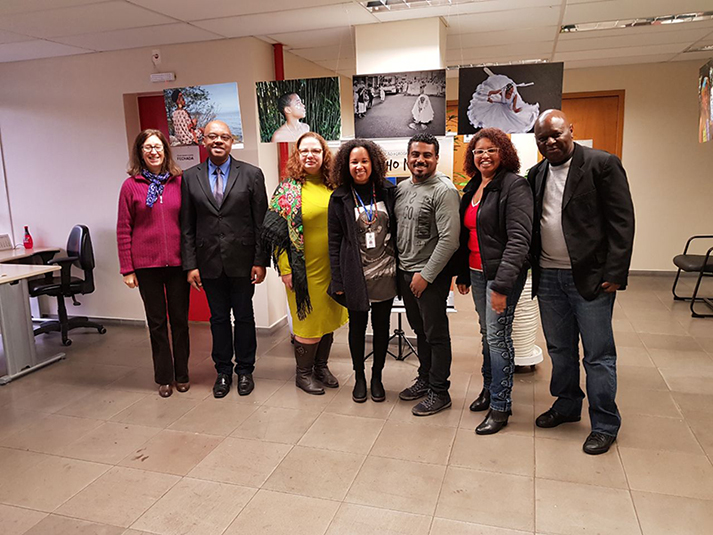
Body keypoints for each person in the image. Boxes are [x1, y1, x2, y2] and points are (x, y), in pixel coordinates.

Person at [528, 109, 635, 455]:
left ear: (571, 130)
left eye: (556, 134)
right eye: (542, 138)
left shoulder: (602, 164)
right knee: (559, 348)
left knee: (598, 355)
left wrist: (615, 273)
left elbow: (622, 221)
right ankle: (567, 404)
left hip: (590, 278)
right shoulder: (536, 173)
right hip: (548, 277)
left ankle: (604, 423)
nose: (550, 142)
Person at [181, 120, 269, 399]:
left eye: (224, 137)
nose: (218, 141)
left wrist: (261, 260)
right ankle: (222, 372)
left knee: (243, 317)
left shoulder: (252, 174)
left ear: (233, 142)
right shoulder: (189, 177)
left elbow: (261, 223)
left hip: (243, 261)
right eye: (212, 137)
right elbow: (187, 226)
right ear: (203, 141)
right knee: (217, 319)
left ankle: (245, 370)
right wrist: (190, 265)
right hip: (208, 262)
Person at [454, 128, 533, 434]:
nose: (484, 155)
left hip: (500, 277)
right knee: (488, 334)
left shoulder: (515, 186)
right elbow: (469, 236)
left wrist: (501, 286)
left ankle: (501, 405)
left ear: (504, 152)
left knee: (498, 339)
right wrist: (463, 272)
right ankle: (489, 390)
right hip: (476, 272)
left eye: (491, 149)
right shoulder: (475, 186)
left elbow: (519, 240)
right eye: (478, 151)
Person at [261, 132, 348, 395]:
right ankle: (303, 374)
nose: (310, 156)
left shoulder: (334, 186)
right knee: (307, 323)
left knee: (328, 319)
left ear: (324, 155)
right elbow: (276, 234)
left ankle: (321, 367)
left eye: (316, 151)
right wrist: (286, 268)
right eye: (304, 151)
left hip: (333, 267)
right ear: (297, 156)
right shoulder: (288, 189)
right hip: (303, 270)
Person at [117, 129, 190, 398]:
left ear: (165, 150)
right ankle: (164, 377)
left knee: (180, 321)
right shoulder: (130, 186)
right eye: (147, 147)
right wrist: (127, 269)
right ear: (140, 152)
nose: (153, 151)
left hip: (178, 265)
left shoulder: (179, 182)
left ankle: (182, 374)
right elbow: (123, 228)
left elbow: (189, 224)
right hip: (146, 266)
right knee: (157, 323)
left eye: (157, 146)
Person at [395, 133, 460, 416]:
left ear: (436, 158)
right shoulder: (402, 188)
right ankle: (424, 379)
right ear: (407, 157)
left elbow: (449, 239)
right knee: (419, 330)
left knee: (436, 334)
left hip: (429, 277)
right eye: (415, 155)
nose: (420, 160)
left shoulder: (444, 190)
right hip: (406, 273)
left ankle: (439, 391)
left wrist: (426, 275)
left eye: (427, 155)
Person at [328, 139, 397, 403]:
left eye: (364, 161)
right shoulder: (339, 197)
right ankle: (359, 377)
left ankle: (377, 377)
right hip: (356, 275)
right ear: (346, 165)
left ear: (374, 163)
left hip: (386, 273)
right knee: (357, 328)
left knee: (381, 328)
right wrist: (338, 279)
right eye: (354, 161)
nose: (359, 166)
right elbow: (334, 242)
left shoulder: (388, 191)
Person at [467, 67, 539, 134]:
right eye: (510, 90)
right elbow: (495, 94)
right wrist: (490, 98)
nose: (511, 92)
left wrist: (515, 110)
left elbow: (513, 105)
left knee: (511, 123)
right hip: (499, 107)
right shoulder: (502, 93)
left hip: (507, 110)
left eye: (512, 91)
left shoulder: (514, 96)